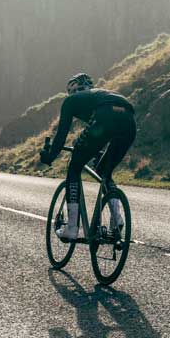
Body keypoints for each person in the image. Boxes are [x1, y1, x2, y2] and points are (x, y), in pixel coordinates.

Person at [39, 73, 137, 241]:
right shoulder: (98, 95)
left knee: (74, 168)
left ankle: (71, 228)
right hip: (128, 118)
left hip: (105, 116)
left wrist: (50, 156)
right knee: (104, 170)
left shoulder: (71, 101)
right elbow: (105, 132)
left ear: (71, 91)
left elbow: (61, 135)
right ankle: (116, 218)